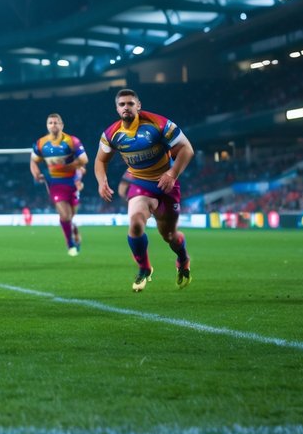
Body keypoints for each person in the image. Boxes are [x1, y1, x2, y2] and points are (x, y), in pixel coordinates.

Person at [94, 88, 196, 292]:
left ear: (138, 105)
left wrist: (172, 174)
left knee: (169, 236)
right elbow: (100, 160)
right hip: (140, 183)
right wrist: (101, 181)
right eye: (122, 104)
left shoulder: (158, 124)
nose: (126, 107)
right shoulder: (111, 134)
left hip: (167, 183)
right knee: (136, 223)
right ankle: (144, 268)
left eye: (130, 103)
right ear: (117, 108)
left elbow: (187, 149)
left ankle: (183, 259)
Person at [30, 113, 88, 256]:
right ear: (47, 126)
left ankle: (73, 228)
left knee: (71, 215)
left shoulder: (71, 141)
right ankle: (70, 245)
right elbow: (33, 161)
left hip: (72, 182)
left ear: (62, 125)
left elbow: (84, 160)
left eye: (56, 122)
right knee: (65, 215)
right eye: (50, 123)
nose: (53, 125)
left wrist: (68, 167)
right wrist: (36, 173)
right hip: (54, 183)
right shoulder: (41, 143)